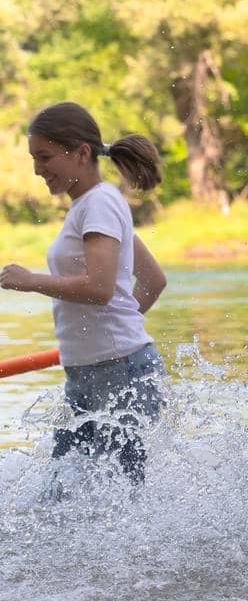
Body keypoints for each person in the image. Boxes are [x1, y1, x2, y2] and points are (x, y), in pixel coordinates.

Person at [1, 103, 168, 487]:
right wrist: (115, 329)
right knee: (61, 498)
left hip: (120, 374)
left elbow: (99, 287)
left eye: (44, 157)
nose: (37, 169)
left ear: (80, 153)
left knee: (117, 501)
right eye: (33, 158)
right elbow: (153, 279)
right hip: (91, 374)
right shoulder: (93, 205)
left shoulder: (100, 203)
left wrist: (30, 281)